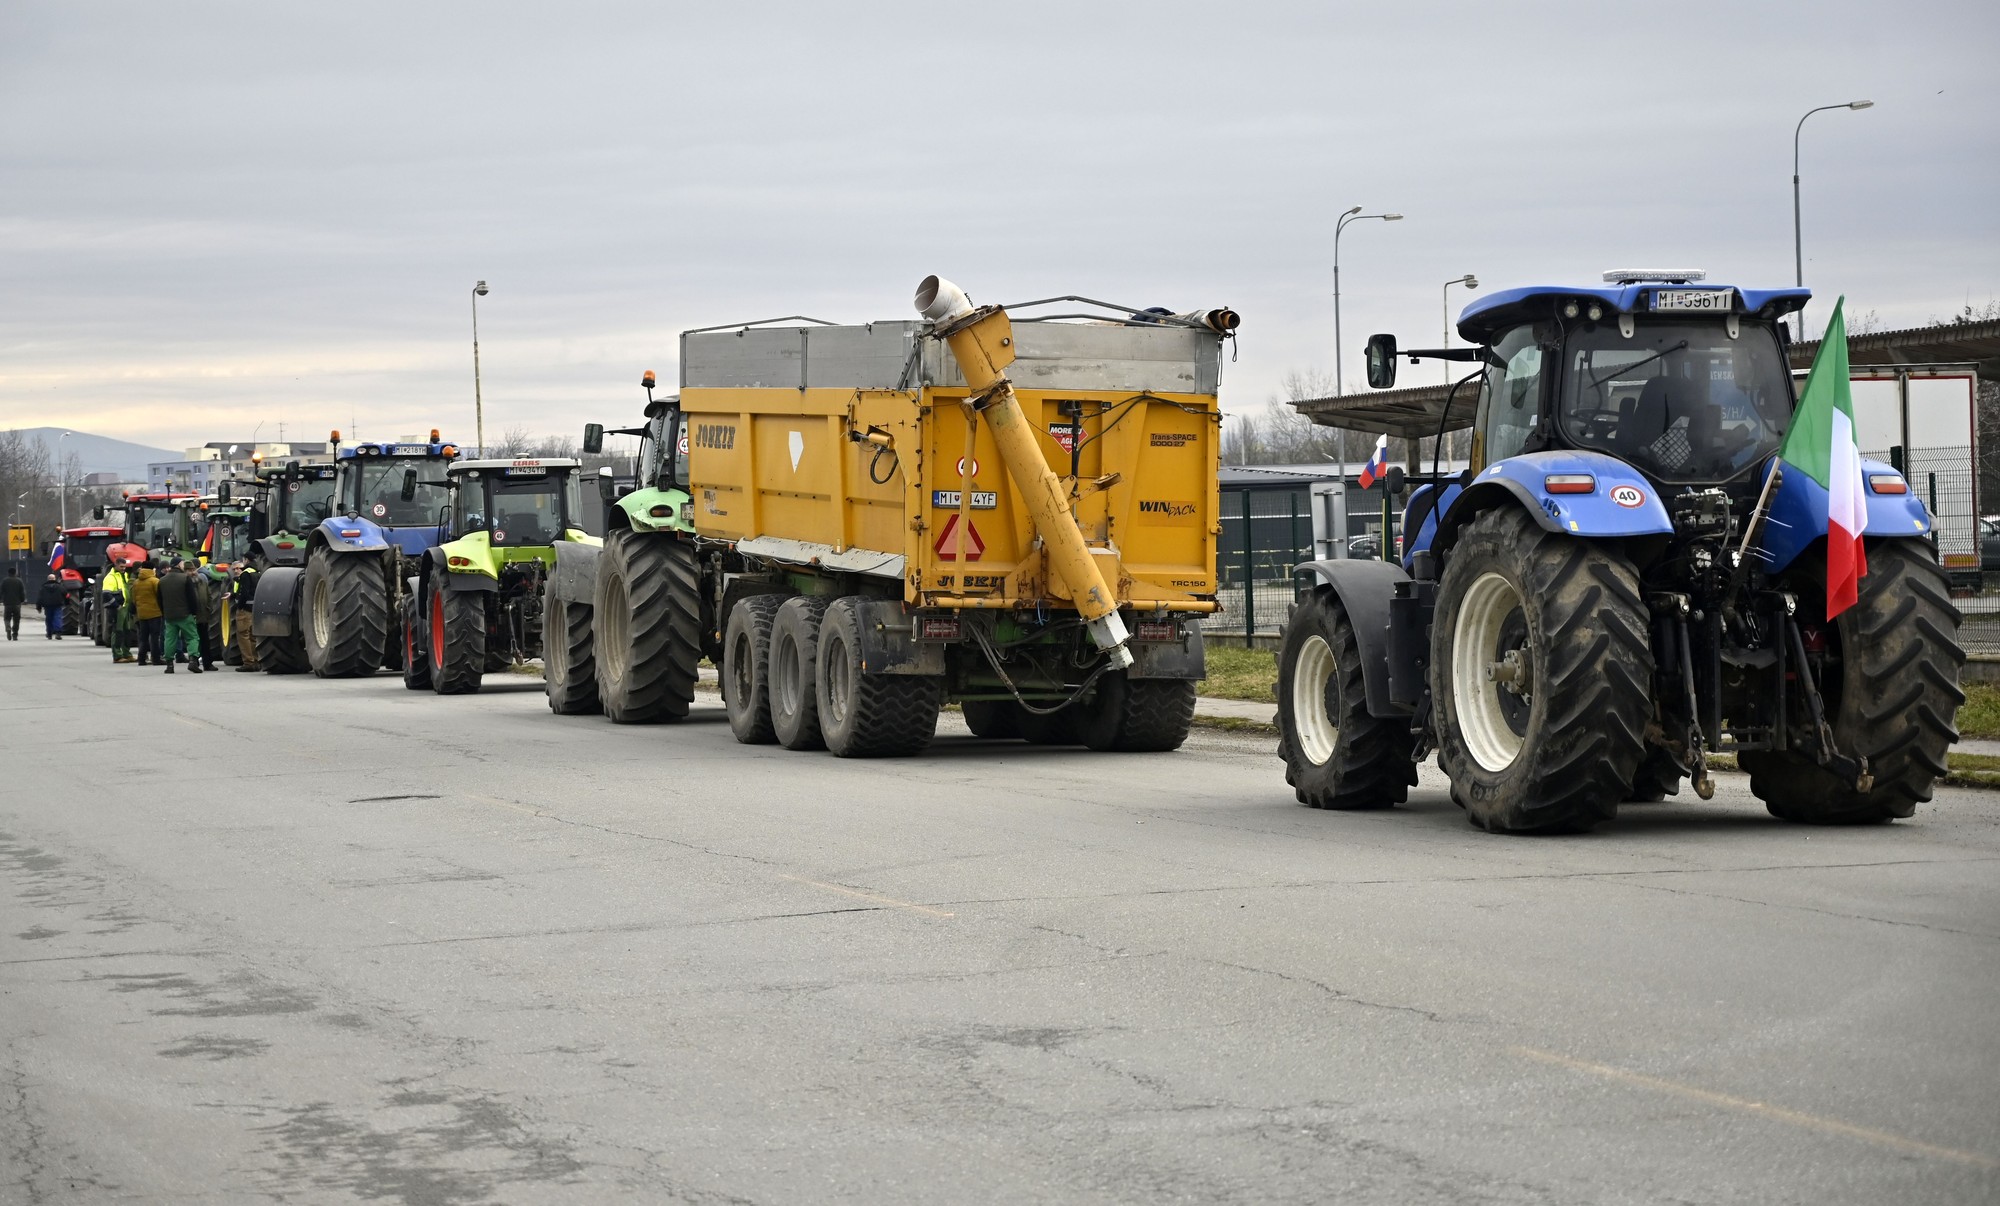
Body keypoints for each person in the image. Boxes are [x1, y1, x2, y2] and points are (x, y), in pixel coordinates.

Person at [157, 560, 203, 674]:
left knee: (170, 639)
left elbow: (159, 599)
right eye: (182, 563)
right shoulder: (185, 578)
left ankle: (169, 665)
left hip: (169, 615)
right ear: (178, 565)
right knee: (192, 637)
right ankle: (193, 661)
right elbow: (191, 597)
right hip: (185, 614)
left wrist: (164, 613)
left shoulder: (162, 580)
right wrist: (194, 612)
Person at [100, 560, 135, 663]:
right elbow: (106, 594)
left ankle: (127, 654)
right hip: (118, 608)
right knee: (118, 631)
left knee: (127, 631)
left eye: (124, 566)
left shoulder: (124, 576)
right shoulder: (110, 577)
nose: (123, 568)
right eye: (121, 566)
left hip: (125, 607)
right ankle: (117, 656)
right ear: (116, 565)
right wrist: (116, 606)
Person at [130, 563, 164, 666]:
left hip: (141, 613)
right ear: (152, 569)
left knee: (143, 637)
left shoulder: (136, 582)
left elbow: (134, 598)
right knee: (154, 637)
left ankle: (141, 659)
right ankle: (156, 659)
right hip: (154, 613)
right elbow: (160, 597)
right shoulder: (155, 581)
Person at [231, 560, 261, 671]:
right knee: (252, 636)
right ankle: (255, 661)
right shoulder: (256, 573)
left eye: (238, 568)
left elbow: (244, 593)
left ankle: (248, 662)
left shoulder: (245, 575)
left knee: (243, 635)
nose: (236, 571)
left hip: (244, 610)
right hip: (253, 608)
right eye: (234, 569)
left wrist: (240, 606)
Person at [191, 563, 220, 672]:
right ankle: (194, 662)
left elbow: (209, 596)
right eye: (189, 570)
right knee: (193, 639)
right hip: (191, 616)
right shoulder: (185, 582)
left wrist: (209, 608)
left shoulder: (202, 581)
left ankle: (207, 663)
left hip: (203, 615)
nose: (192, 572)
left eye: (193, 570)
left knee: (204, 639)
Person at [36, 572, 65, 639]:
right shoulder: (60, 587)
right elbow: (65, 594)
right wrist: (66, 602)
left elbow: (40, 598)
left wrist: (39, 607)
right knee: (57, 618)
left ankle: (49, 633)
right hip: (57, 605)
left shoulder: (43, 587)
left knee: (49, 619)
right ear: (55, 579)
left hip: (47, 606)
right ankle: (58, 633)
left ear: (48, 579)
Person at [1, 566, 23, 641]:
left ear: (8, 573)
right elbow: (22, 592)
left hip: (7, 603)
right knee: (16, 619)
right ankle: (15, 634)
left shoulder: (5, 581)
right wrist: (22, 600)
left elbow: (1, 591)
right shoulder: (19, 581)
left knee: (7, 618)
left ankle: (8, 628)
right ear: (15, 573)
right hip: (17, 603)